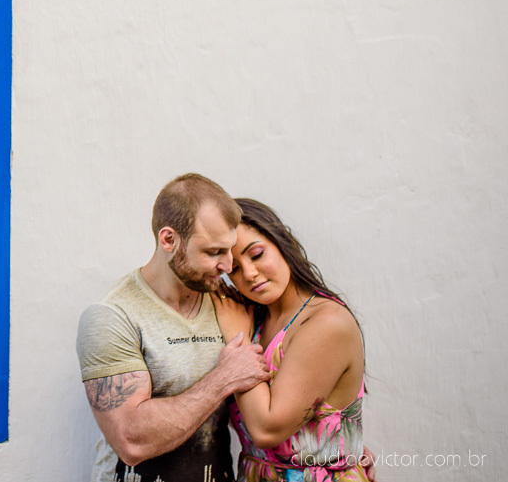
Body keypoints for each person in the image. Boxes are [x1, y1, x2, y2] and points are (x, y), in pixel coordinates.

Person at [77, 173, 271, 482]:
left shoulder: (228, 305)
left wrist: (339, 450)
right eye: (213, 252)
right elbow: (131, 440)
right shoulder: (113, 316)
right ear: (169, 240)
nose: (228, 265)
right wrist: (223, 379)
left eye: (229, 249)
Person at [212, 198, 371, 482]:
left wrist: (238, 342)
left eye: (257, 254)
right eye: (234, 268)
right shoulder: (253, 319)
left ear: (282, 242)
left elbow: (265, 431)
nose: (249, 274)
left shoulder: (326, 324)